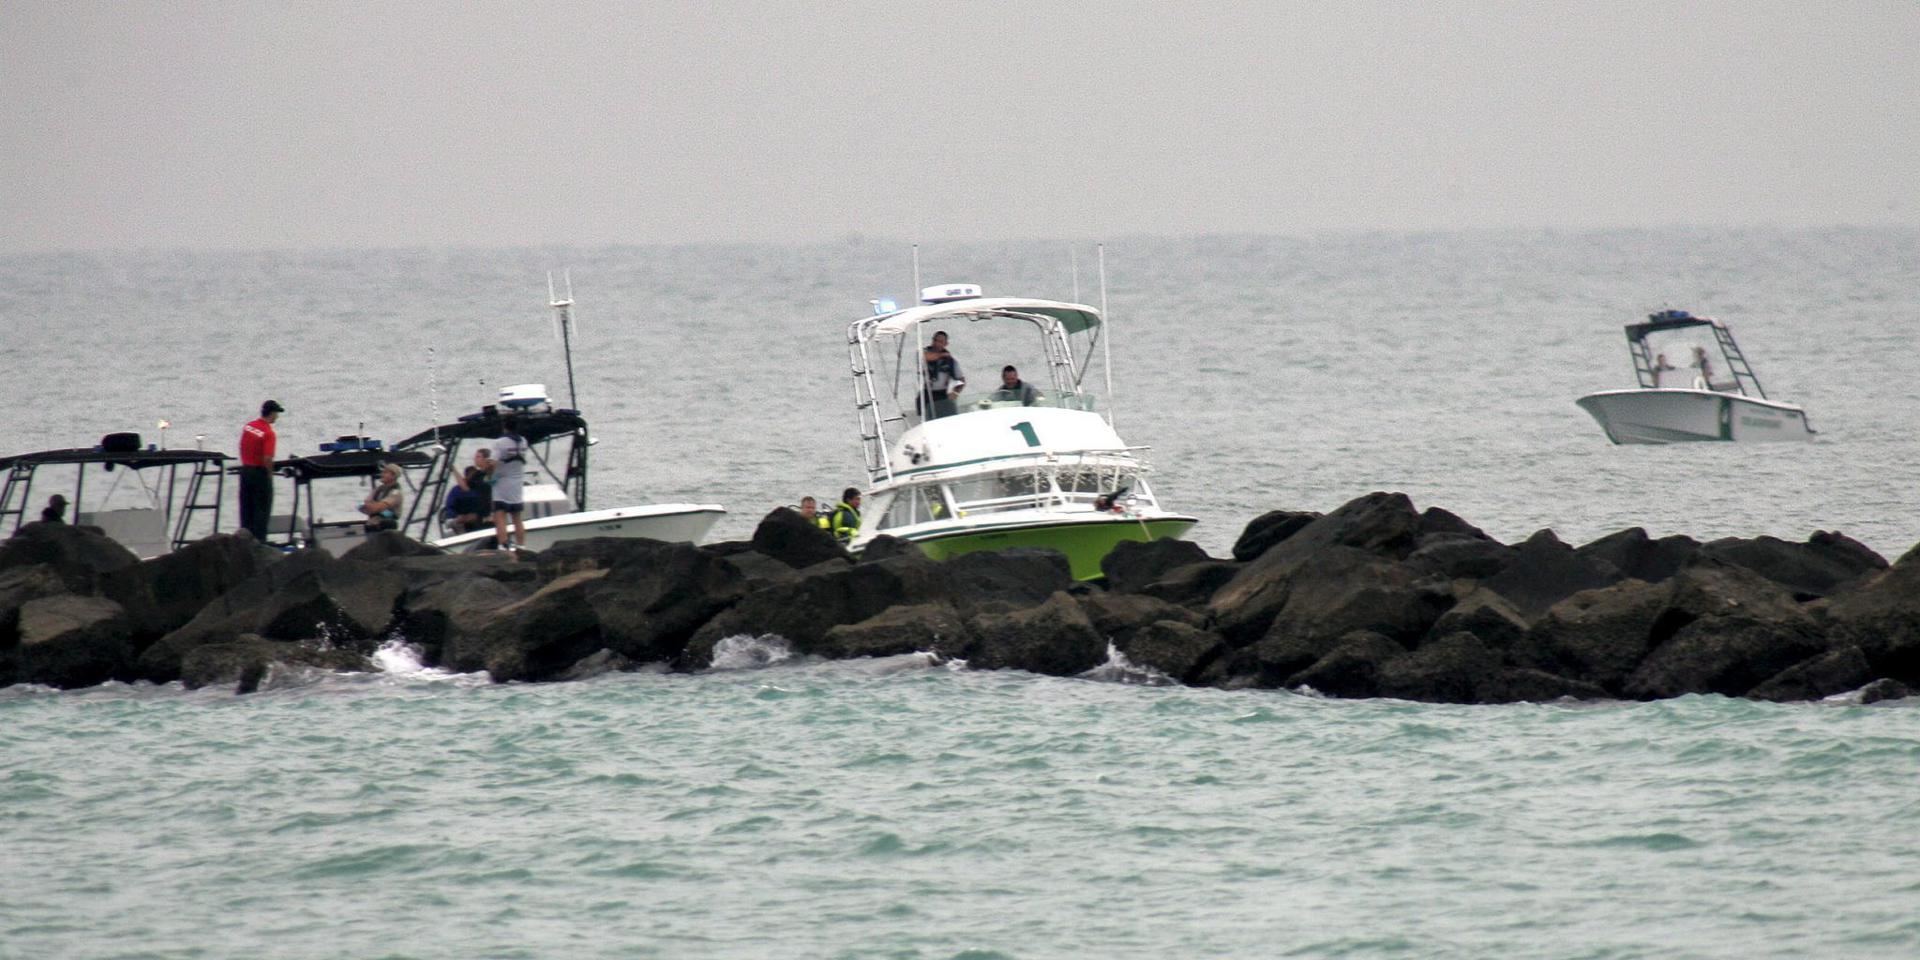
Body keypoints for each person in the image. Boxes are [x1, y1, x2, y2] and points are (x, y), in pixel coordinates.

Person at [238, 400, 283, 541]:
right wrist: (270, 475)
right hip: (259, 474)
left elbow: (242, 446)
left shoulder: (249, 427)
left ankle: (244, 542)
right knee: (261, 513)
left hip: (245, 472)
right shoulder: (269, 433)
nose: (277, 417)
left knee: (246, 510)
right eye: (277, 414)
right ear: (272, 413)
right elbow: (267, 458)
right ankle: (259, 544)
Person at [489, 417, 529, 551]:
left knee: (500, 514)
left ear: (504, 426)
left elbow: (493, 462)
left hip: (502, 482)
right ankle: (521, 545)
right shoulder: (523, 441)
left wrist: (488, 473)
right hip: (517, 481)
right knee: (517, 517)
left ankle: (503, 545)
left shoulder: (499, 443)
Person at [921, 331, 966, 419]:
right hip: (927, 394)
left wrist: (956, 392)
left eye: (941, 342)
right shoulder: (924, 353)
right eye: (935, 340)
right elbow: (926, 357)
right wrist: (942, 355)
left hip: (943, 394)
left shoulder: (950, 361)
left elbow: (961, 380)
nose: (937, 344)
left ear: (946, 344)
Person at [359, 461, 405, 532]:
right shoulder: (379, 489)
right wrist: (370, 507)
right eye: (382, 472)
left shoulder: (395, 493)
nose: (382, 475)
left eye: (385, 473)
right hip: (372, 524)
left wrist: (373, 507)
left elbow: (380, 507)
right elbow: (366, 503)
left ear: (393, 476)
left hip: (386, 526)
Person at [444, 466, 489, 533]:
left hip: (479, 520)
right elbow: (450, 507)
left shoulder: (482, 488)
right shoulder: (457, 490)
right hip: (459, 521)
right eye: (472, 477)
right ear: (466, 477)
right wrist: (456, 518)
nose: (475, 479)